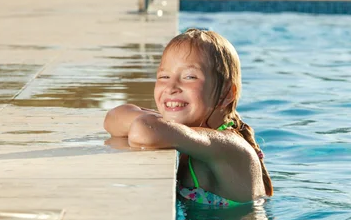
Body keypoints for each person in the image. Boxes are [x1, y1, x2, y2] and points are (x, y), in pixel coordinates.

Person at [103, 28, 273, 207]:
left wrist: (153, 123)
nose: (171, 87)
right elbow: (112, 118)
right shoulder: (189, 133)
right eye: (164, 76)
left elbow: (144, 133)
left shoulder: (229, 146)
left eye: (190, 77)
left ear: (226, 94)